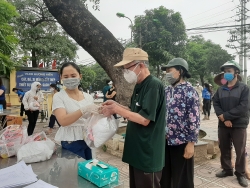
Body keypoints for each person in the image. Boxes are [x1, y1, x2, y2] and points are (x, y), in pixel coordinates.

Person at [100, 48, 166, 188]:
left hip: (147, 152)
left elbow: (144, 119)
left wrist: (117, 109)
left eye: (127, 69)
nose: (126, 73)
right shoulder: (139, 85)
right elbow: (134, 112)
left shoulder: (153, 85)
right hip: (137, 151)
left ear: (140, 65)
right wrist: (116, 105)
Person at [160, 58, 200, 188]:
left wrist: (191, 143)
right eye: (166, 71)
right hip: (165, 141)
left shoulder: (190, 91)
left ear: (180, 71)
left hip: (182, 142)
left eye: (169, 70)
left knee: (182, 180)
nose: (167, 73)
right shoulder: (166, 90)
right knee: (165, 177)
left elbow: (194, 119)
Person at [213, 60, 250, 187]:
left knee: (240, 150)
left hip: (239, 124)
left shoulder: (244, 88)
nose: (226, 74)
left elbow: (244, 106)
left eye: (229, 71)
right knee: (224, 147)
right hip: (223, 124)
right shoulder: (220, 89)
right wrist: (223, 118)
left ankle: (240, 173)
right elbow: (216, 103)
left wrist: (227, 116)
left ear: (236, 72)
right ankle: (227, 169)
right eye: (225, 72)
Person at [52, 62, 100, 159]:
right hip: (70, 140)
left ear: (80, 76)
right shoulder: (59, 96)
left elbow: (92, 120)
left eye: (73, 75)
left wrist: (101, 112)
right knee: (73, 171)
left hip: (87, 138)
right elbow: (63, 121)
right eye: (66, 76)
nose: (70, 79)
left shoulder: (88, 97)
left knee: (88, 169)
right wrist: (83, 109)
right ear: (61, 78)